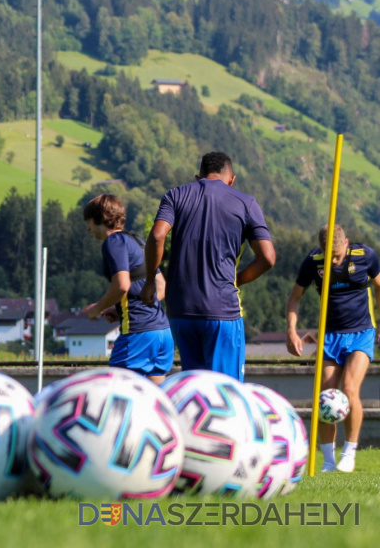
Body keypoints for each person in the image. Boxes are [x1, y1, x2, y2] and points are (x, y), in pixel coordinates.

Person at [140, 151, 276, 381]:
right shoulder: (245, 202)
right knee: (226, 394)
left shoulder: (176, 195)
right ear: (232, 179)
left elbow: (156, 236)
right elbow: (268, 258)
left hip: (180, 310)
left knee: (196, 392)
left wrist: (151, 281)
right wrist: (238, 279)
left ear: (198, 176)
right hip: (222, 311)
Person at [286, 224, 380, 472]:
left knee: (349, 389)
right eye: (330, 256)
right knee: (326, 395)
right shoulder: (313, 262)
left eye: (337, 255)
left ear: (346, 243)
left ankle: (349, 452)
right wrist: (291, 331)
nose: (334, 261)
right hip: (329, 337)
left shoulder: (365, 257)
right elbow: (294, 298)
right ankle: (328, 460)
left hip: (361, 333)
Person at [81, 194, 174, 384]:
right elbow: (161, 286)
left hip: (137, 335)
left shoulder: (114, 242)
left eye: (88, 221)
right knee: (154, 403)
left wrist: (96, 309)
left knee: (120, 399)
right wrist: (118, 309)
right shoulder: (137, 242)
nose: (87, 227)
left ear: (99, 219)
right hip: (162, 333)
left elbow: (122, 285)